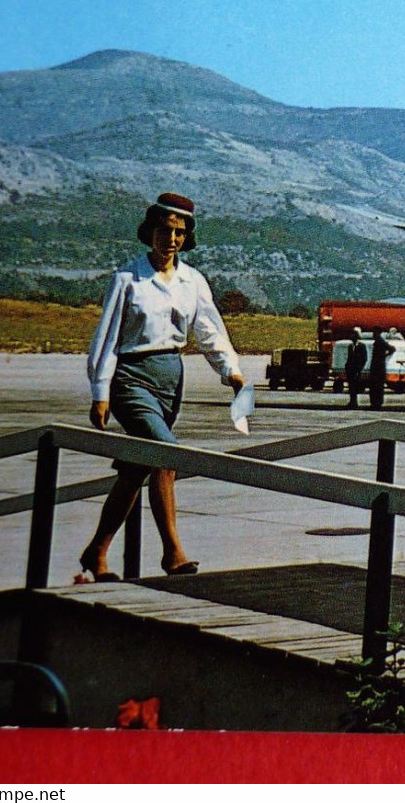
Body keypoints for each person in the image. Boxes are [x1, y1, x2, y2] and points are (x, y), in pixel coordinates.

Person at [79, 193, 244, 581]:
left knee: (136, 470)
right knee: (165, 456)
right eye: (165, 230)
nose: (172, 239)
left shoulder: (193, 282)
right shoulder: (127, 279)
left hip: (171, 379)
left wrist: (231, 372)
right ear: (149, 232)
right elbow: (106, 340)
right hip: (131, 379)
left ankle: (97, 551)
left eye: (180, 233)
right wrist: (100, 392)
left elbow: (209, 331)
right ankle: (173, 553)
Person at [368, 326, 396, 409]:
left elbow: (392, 349)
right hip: (377, 367)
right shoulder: (378, 341)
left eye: (374, 333)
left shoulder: (380, 341)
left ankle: (376, 404)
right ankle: (376, 403)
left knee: (377, 386)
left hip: (378, 368)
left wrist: (384, 356)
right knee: (376, 386)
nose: (373, 334)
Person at [343, 327, 367, 409]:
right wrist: (347, 366)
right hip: (350, 369)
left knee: (355, 387)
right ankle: (352, 401)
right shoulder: (350, 346)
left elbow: (364, 358)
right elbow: (349, 358)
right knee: (351, 386)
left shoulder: (362, 346)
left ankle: (355, 402)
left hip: (357, 370)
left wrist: (359, 368)